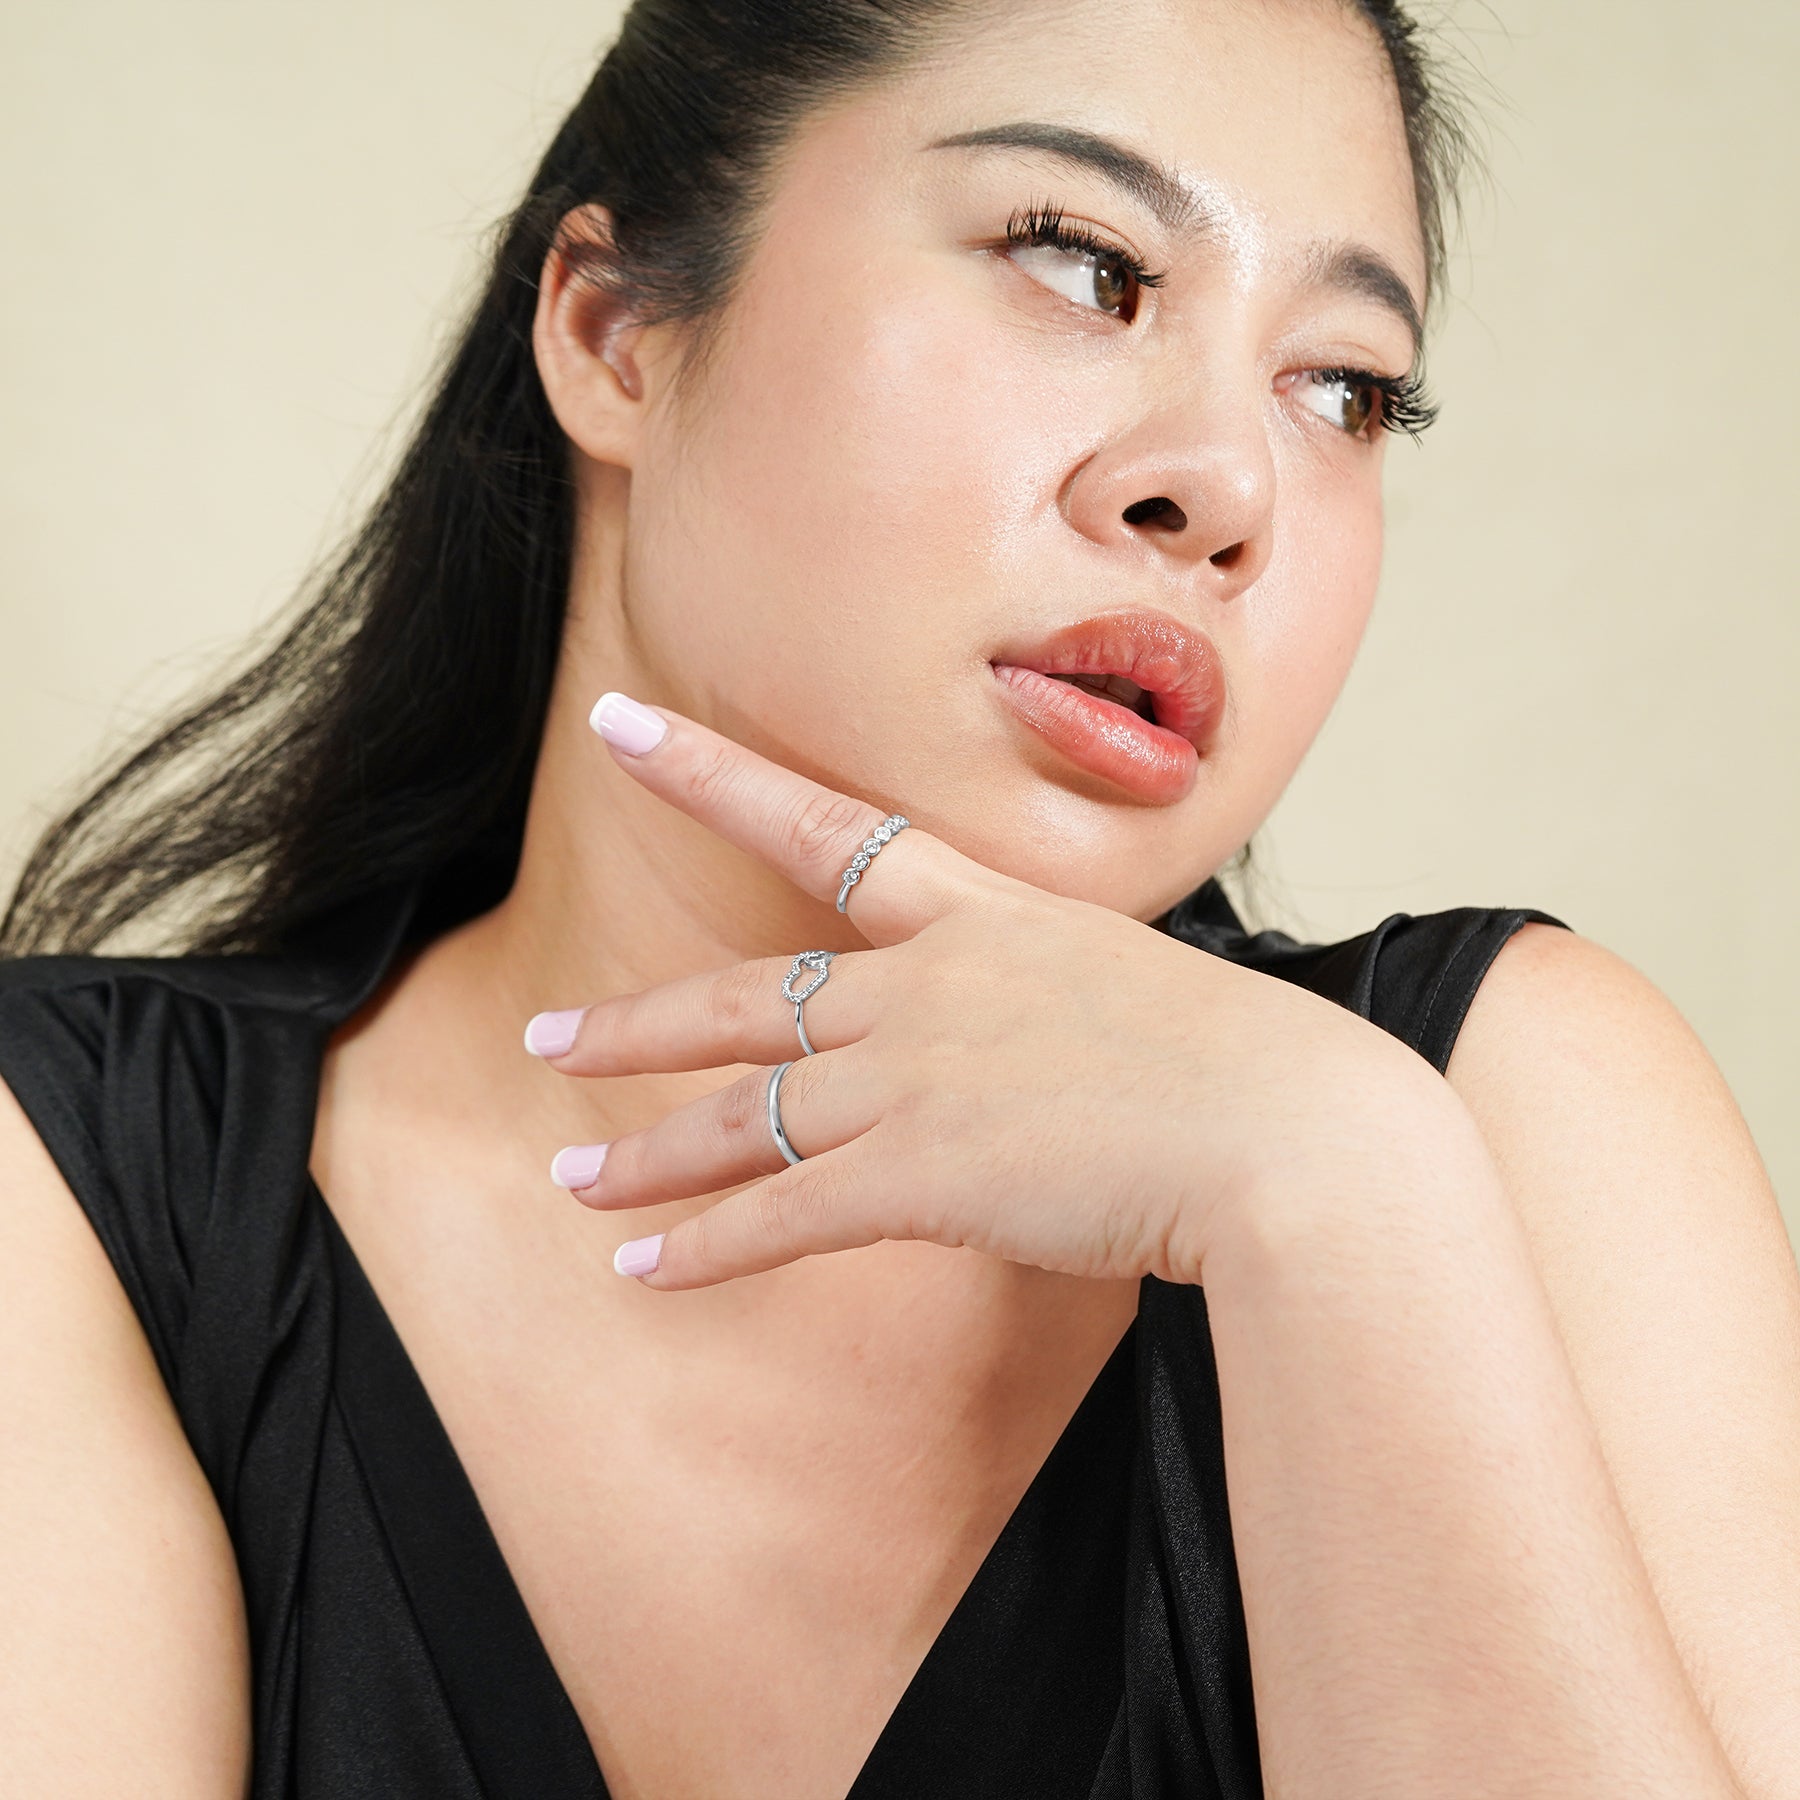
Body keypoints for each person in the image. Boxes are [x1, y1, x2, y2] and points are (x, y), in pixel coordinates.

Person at [2, 0, 1795, 1795]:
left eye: (1345, 390)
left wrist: (1337, 1203)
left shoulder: (1495, 1126)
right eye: (1083, 264)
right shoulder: (87, 1188)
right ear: (617, 331)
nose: (1230, 490)